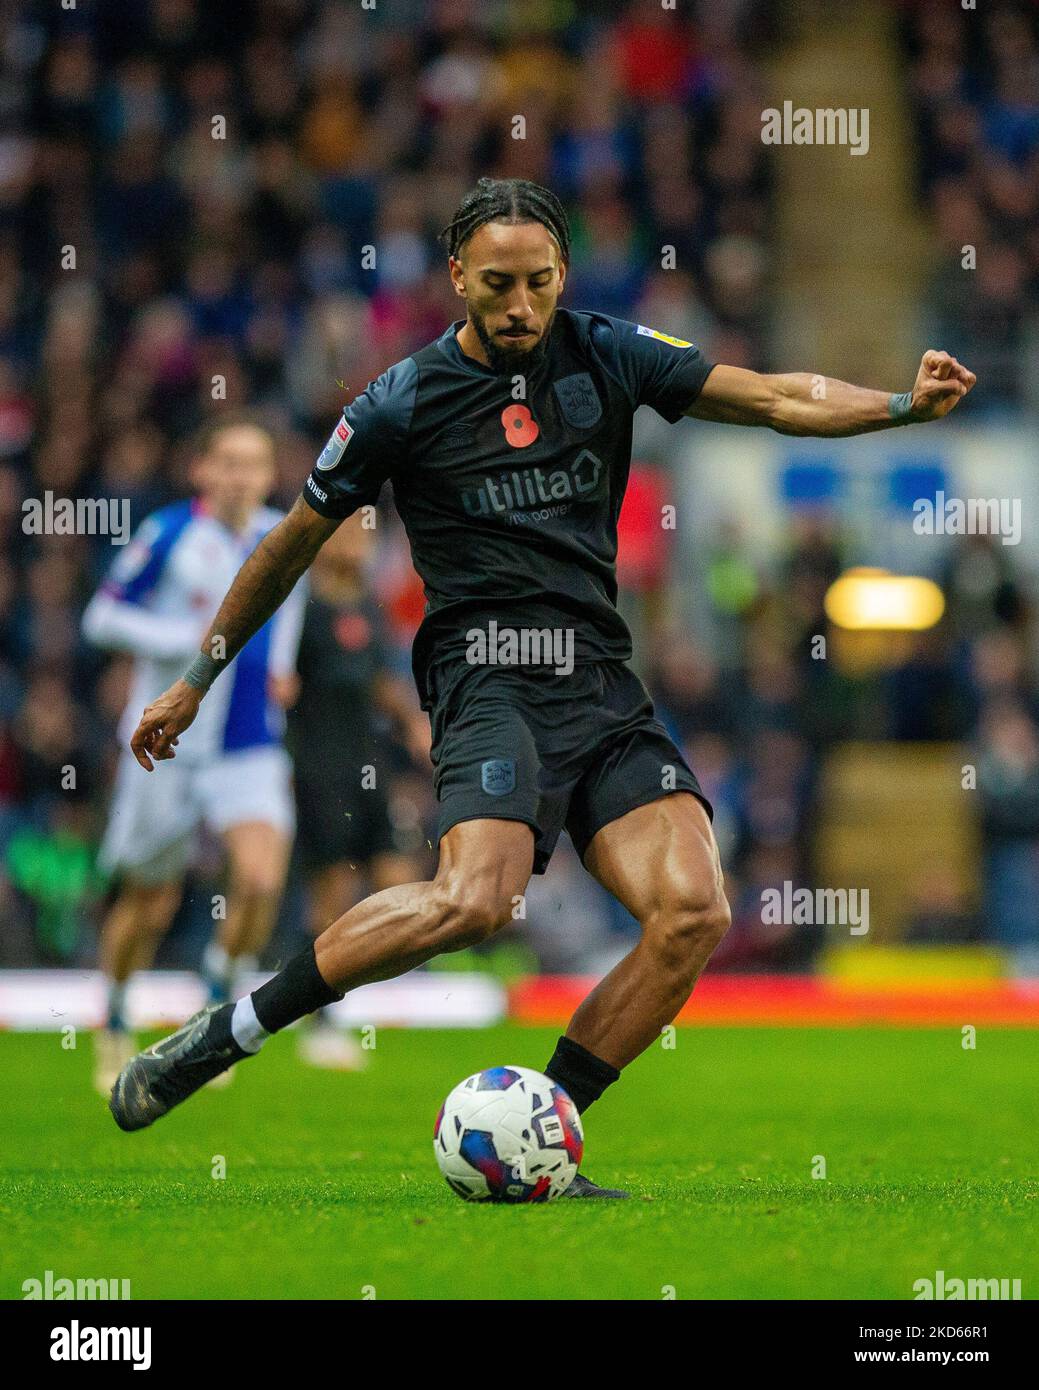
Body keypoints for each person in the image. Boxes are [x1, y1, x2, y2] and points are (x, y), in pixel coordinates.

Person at [109, 178, 975, 1196]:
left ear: (562, 273)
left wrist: (896, 405)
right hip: (486, 679)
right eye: (496, 285)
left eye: (536, 282)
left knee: (693, 912)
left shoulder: (608, 351)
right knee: (475, 902)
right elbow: (289, 544)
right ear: (456, 280)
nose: (519, 306)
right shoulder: (401, 401)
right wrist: (196, 677)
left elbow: (774, 395)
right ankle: (232, 1030)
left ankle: (543, 1128)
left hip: (600, 682)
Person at [84, 419, 303, 1094]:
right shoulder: (168, 533)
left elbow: (285, 603)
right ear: (201, 470)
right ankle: (114, 1014)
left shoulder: (282, 534)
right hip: (169, 743)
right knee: (150, 901)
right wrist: (186, 637)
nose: (241, 476)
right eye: (228, 462)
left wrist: (284, 665)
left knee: (262, 878)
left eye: (255, 464)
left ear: (270, 475)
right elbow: (102, 617)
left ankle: (213, 1002)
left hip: (247, 741)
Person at [289, 513, 424, 1069]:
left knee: (397, 876)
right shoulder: (300, 607)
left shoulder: (366, 603)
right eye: (348, 533)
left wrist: (415, 726)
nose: (359, 543)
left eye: (365, 534)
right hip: (320, 766)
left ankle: (347, 987)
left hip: (370, 764)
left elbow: (379, 679)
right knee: (330, 894)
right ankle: (320, 1016)